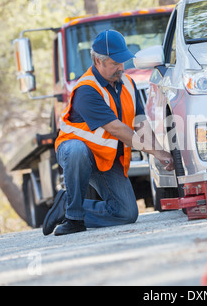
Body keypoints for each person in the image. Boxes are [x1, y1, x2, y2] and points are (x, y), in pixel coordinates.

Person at [43, 30, 174, 236]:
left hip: (106, 157)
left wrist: (161, 152)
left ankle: (66, 206)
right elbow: (117, 129)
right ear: (97, 61)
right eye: (115, 63)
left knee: (126, 213)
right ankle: (74, 218)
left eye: (123, 61)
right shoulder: (87, 89)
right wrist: (155, 153)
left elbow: (141, 123)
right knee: (77, 151)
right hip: (78, 153)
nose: (121, 67)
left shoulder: (128, 84)